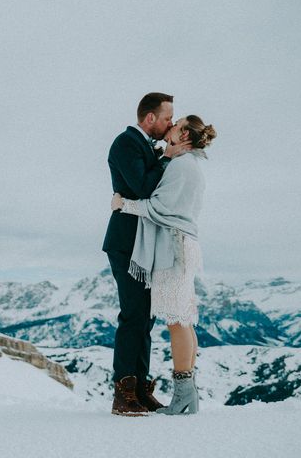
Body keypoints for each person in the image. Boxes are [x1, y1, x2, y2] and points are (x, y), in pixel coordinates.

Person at [111, 115, 217, 415]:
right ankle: (188, 395)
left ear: (183, 135)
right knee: (182, 317)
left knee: (177, 320)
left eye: (175, 122)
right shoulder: (187, 163)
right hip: (180, 245)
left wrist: (124, 205)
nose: (170, 125)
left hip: (173, 248)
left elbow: (160, 206)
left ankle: (184, 394)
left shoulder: (183, 166)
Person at [102, 92, 191, 416]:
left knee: (145, 316)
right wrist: (166, 157)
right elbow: (142, 187)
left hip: (143, 243)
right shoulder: (125, 143)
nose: (170, 123)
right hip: (126, 241)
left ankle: (140, 387)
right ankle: (123, 391)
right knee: (132, 314)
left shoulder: (143, 147)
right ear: (150, 118)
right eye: (168, 118)